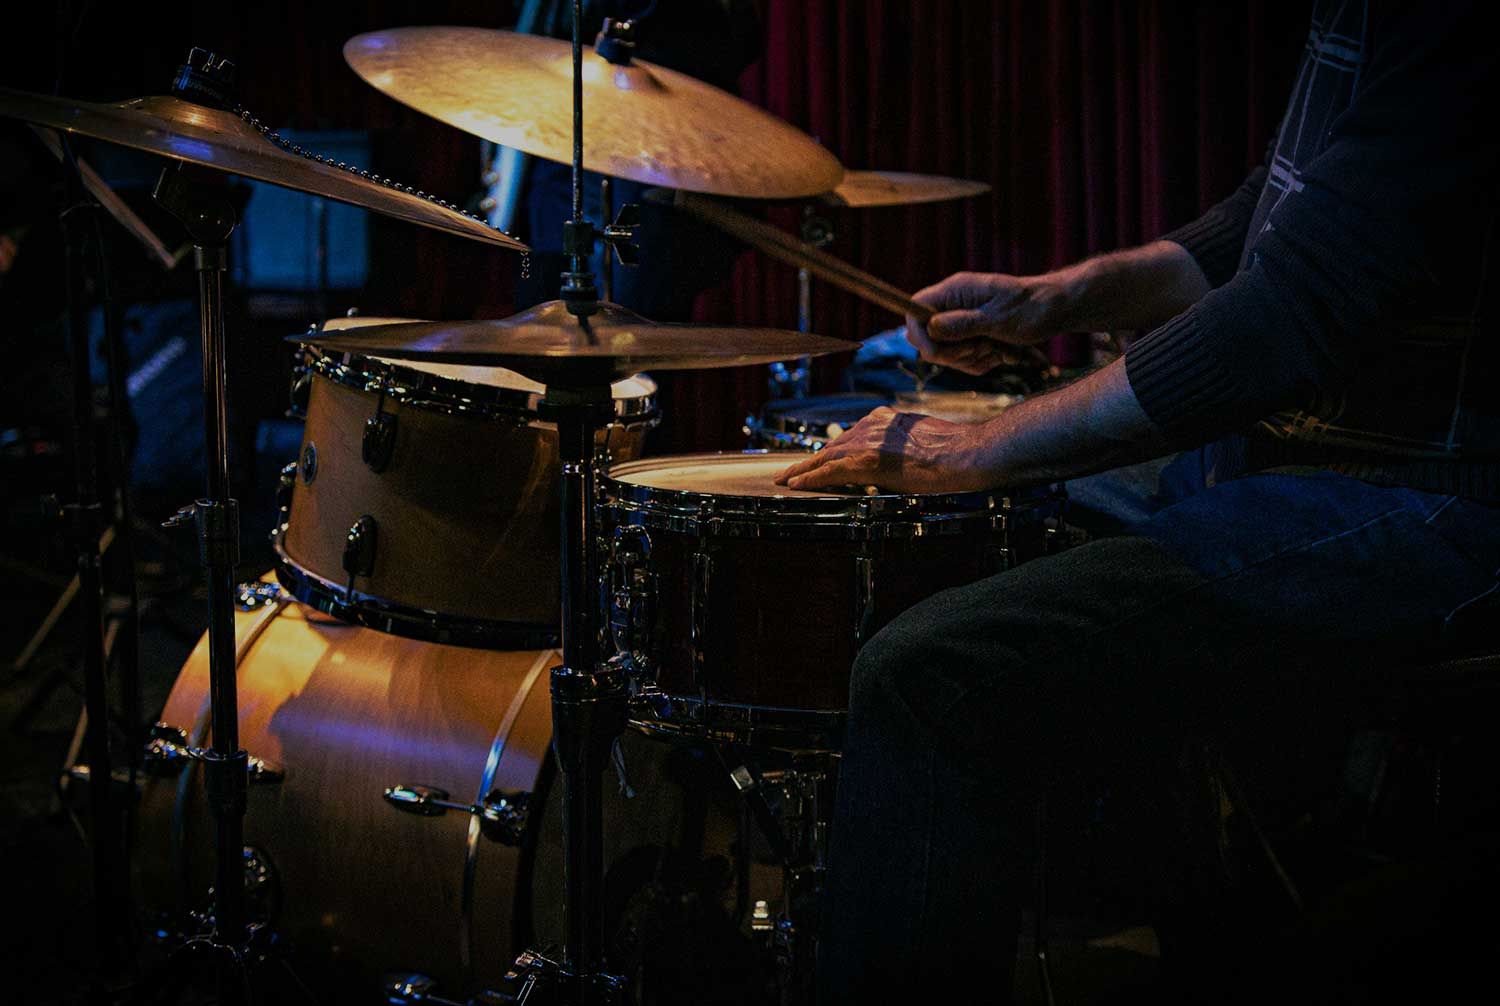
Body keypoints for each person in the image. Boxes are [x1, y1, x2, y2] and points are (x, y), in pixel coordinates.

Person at [777, 1, 1500, 1001]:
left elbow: (1289, 321)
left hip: (1435, 498)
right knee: (970, 546)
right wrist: (1065, 296)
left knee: (926, 674)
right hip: (1312, 458)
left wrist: (973, 449)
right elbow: (1277, 219)